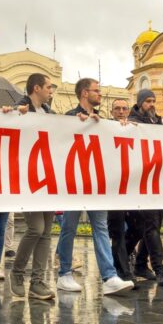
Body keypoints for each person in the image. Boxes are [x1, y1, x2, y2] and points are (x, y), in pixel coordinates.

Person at [55, 79, 135, 296]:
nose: (100, 94)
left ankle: (109, 277)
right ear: (84, 93)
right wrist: (78, 122)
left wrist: (123, 128)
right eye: (96, 91)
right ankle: (64, 273)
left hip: (96, 184)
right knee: (69, 228)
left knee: (100, 227)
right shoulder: (70, 116)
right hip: (74, 183)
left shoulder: (103, 121)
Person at [9, 73, 57, 300]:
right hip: (28, 176)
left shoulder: (48, 113)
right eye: (49, 87)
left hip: (48, 176)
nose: (51, 91)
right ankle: (17, 273)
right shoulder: (20, 108)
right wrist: (14, 115)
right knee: (36, 228)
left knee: (46, 231)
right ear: (36, 88)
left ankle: (37, 281)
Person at [125, 89, 163, 287]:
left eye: (153, 101)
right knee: (150, 225)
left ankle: (135, 262)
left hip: (156, 182)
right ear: (140, 103)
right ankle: (160, 269)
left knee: (147, 227)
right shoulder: (132, 122)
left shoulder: (158, 123)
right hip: (139, 183)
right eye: (148, 101)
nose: (152, 104)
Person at [106, 98, 136, 282]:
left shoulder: (135, 128)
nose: (121, 111)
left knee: (138, 226)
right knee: (116, 229)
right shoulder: (104, 127)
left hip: (132, 188)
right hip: (113, 189)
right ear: (111, 112)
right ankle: (124, 271)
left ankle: (118, 257)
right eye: (117, 109)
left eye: (125, 108)